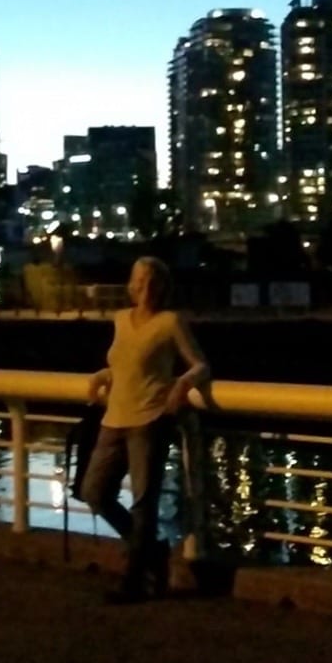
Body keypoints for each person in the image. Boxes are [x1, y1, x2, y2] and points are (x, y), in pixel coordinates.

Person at [81, 256, 211, 603]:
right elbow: (125, 362)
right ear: (132, 284)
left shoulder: (170, 322)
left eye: (152, 281)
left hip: (150, 419)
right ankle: (153, 551)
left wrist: (182, 383)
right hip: (113, 417)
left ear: (162, 287)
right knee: (94, 491)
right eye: (140, 280)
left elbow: (200, 364)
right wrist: (103, 375)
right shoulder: (121, 319)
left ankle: (135, 580)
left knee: (143, 503)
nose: (145, 287)